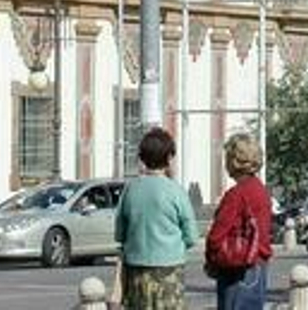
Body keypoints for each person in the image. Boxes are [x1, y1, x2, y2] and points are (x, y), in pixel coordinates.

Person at [116, 128, 199, 310]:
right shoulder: (176, 191)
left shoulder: (130, 190)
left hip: (136, 270)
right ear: (169, 157)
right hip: (169, 270)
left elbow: (120, 234)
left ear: (142, 157)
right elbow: (192, 236)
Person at [205, 134, 273, 310]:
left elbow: (216, 236)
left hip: (236, 268)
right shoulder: (261, 190)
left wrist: (211, 260)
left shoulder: (236, 195)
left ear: (234, 161)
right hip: (258, 265)